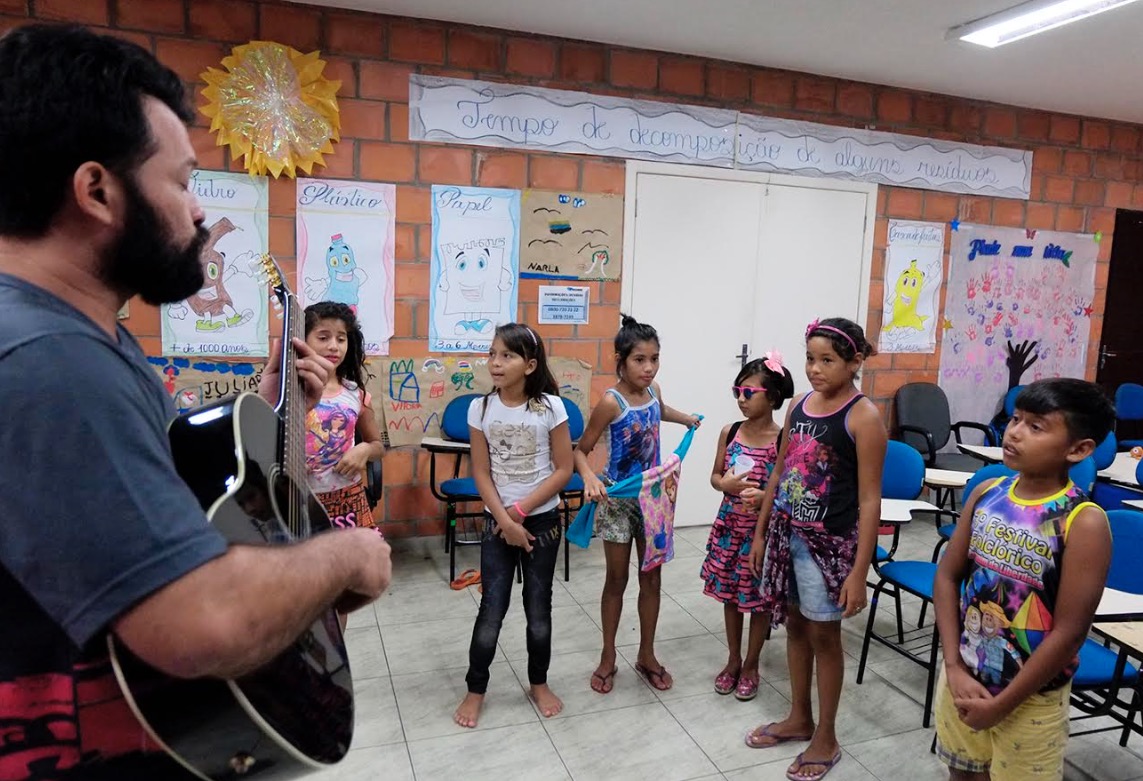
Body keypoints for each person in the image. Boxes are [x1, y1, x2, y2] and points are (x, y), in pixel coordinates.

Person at [0, 25, 391, 781]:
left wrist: (275, 405)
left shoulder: (84, 341)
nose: (199, 216)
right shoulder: (50, 361)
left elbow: (163, 502)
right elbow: (203, 622)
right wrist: (347, 551)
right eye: (181, 183)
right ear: (97, 191)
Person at [933, 379, 1114, 781]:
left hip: (1031, 698)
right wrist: (954, 666)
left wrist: (1003, 704)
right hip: (964, 674)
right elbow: (946, 577)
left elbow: (1069, 633)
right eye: (1015, 419)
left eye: (1036, 426)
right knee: (962, 772)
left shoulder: (1081, 522)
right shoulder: (987, 493)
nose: (1014, 432)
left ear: (1079, 449)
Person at [745, 317, 886, 781]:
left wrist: (858, 572)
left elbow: (869, 500)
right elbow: (780, 472)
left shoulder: (863, 416)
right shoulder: (800, 406)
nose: (815, 369)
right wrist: (762, 532)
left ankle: (826, 734)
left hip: (830, 546)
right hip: (789, 536)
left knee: (825, 636)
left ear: (855, 362)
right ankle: (799, 717)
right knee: (796, 629)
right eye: (810, 358)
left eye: (827, 360)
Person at [453, 323, 574, 728]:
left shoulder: (550, 408)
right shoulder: (481, 409)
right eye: (492, 354)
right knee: (492, 609)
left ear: (530, 364)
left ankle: (538, 683)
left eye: (507, 355)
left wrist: (520, 512)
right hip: (498, 525)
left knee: (539, 610)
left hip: (541, 523)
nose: (495, 363)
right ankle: (475, 690)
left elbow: (563, 470)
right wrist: (504, 520)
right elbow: (482, 472)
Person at [575, 314, 700, 694]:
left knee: (652, 577)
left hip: (654, 500)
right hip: (618, 500)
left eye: (654, 359)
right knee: (617, 579)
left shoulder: (653, 390)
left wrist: (687, 419)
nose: (648, 368)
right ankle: (608, 656)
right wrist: (590, 478)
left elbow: (660, 410)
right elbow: (581, 450)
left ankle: (647, 654)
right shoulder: (610, 403)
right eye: (639, 360)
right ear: (620, 359)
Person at [701, 353, 794, 701]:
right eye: (737, 391)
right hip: (730, 529)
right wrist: (724, 484)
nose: (741, 399)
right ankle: (733, 659)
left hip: (762, 535)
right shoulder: (731, 432)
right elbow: (714, 476)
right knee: (730, 597)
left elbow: (786, 488)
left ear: (772, 397)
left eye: (749, 392)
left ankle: (752, 663)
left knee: (757, 601)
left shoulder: (782, 438)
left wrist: (765, 499)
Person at [304, 301, 385, 530]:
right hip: (301, 501)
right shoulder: (289, 391)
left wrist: (365, 449)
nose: (334, 346)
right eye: (323, 337)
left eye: (341, 338)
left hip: (349, 501)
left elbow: (378, 446)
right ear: (303, 340)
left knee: (357, 565)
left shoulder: (355, 394)